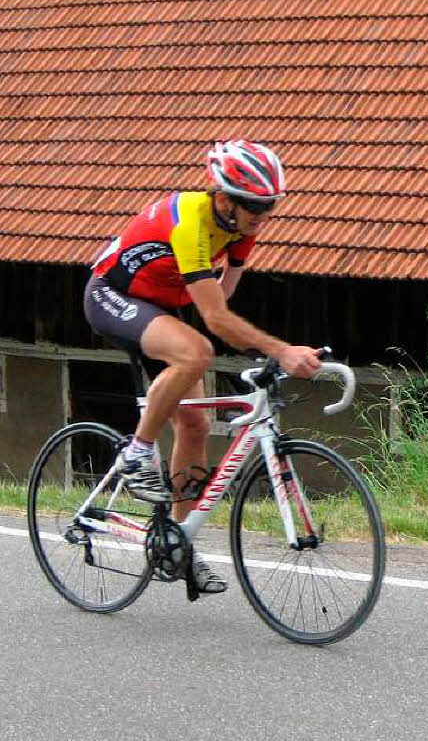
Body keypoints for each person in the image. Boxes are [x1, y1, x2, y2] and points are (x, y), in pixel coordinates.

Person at [83, 140, 322, 592]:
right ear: (224, 198)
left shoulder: (241, 228)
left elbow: (222, 296)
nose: (262, 215)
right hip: (112, 297)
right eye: (254, 205)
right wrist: (280, 349)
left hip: (159, 308)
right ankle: (136, 456)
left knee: (195, 423)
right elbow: (214, 320)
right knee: (196, 351)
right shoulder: (189, 221)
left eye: (269, 206)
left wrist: (267, 348)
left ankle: (176, 544)